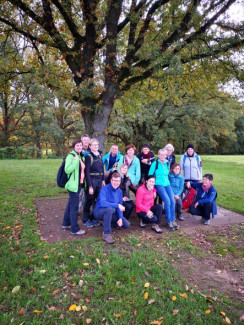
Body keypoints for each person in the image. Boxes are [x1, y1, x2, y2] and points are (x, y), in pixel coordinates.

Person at [93, 172, 130, 244]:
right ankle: (106, 234)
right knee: (109, 209)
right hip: (99, 212)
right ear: (111, 180)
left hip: (111, 212)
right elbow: (103, 203)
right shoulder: (104, 189)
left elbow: (120, 205)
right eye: (114, 180)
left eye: (118, 181)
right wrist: (117, 205)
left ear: (120, 181)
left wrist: (120, 218)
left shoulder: (119, 191)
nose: (116, 183)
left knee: (126, 224)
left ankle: (108, 222)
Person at [149, 149, 179, 231]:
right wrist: (152, 188)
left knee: (173, 201)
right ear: (158, 155)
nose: (162, 156)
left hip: (167, 184)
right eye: (161, 154)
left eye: (164, 154)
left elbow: (167, 175)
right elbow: (150, 175)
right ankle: (168, 221)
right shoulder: (155, 164)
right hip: (159, 184)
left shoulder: (167, 163)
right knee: (167, 201)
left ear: (166, 155)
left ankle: (173, 220)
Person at [62, 139, 86, 236]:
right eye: (77, 146)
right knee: (74, 208)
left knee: (70, 205)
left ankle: (66, 223)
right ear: (74, 147)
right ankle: (74, 229)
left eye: (80, 145)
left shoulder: (81, 156)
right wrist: (76, 160)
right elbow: (67, 170)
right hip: (73, 186)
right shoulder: (71, 156)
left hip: (79, 184)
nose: (79, 147)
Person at [83, 138, 105, 227]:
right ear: (90, 146)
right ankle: (85, 219)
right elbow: (87, 172)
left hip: (100, 181)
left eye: (97, 144)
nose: (96, 146)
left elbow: (102, 169)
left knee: (97, 201)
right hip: (92, 181)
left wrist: (103, 179)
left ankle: (93, 218)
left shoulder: (99, 155)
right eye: (94, 145)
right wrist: (90, 186)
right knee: (88, 200)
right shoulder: (89, 157)